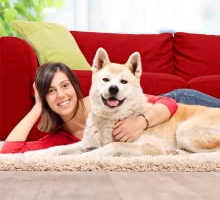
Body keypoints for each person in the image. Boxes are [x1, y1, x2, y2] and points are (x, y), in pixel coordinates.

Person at [0, 62, 219, 154]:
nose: (61, 95)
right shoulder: (62, 138)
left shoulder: (99, 103)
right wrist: (36, 107)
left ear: (76, 87)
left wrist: (140, 121)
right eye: (50, 91)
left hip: (180, 103)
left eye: (65, 86)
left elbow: (168, 103)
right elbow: (9, 152)